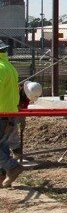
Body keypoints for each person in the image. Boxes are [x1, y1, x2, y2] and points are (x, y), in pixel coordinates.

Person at [0, 40, 23, 188]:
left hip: (2, 112)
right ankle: (3, 177)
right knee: (2, 147)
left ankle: (12, 167)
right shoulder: (9, 66)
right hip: (10, 112)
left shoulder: (1, 67)